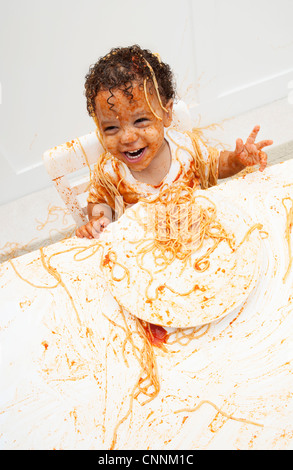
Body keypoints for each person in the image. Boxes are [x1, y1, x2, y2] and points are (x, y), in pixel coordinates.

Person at [76, 45, 273, 239]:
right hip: (145, 251)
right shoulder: (111, 171)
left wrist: (238, 160)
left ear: (166, 113)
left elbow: (217, 165)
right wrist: (99, 221)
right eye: (111, 128)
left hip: (200, 235)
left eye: (140, 121)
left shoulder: (186, 148)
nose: (127, 138)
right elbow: (99, 202)